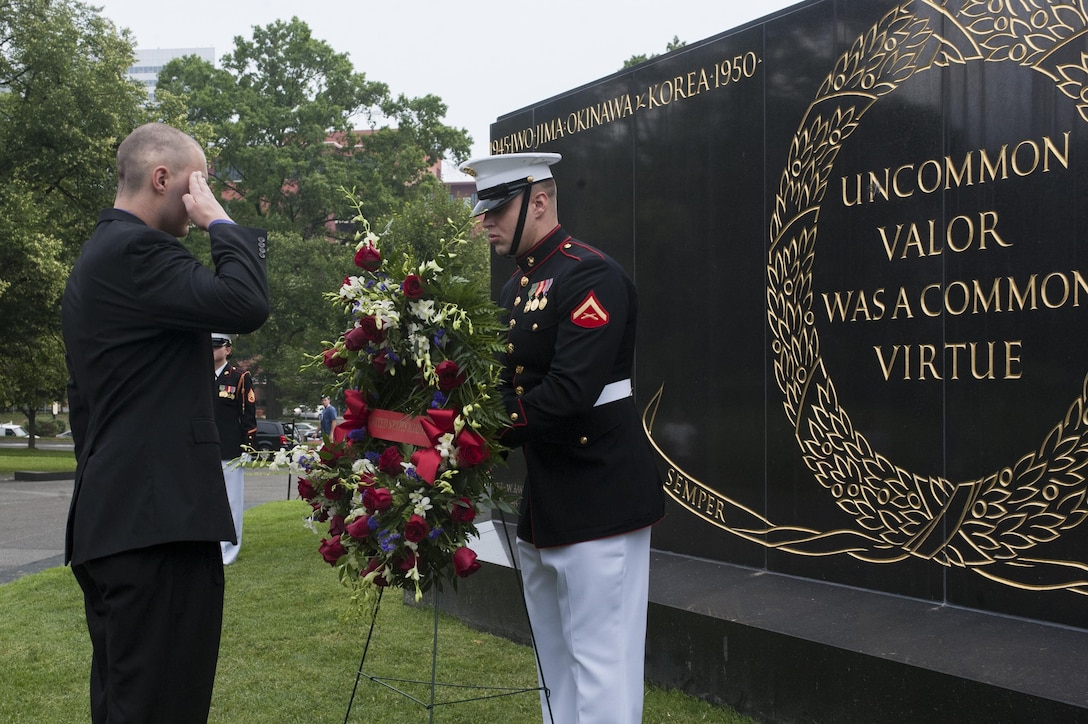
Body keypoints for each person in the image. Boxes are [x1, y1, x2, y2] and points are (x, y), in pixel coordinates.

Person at [62, 123, 269, 723]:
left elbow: (85, 408)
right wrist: (222, 224)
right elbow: (245, 303)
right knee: (163, 705)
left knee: (130, 703)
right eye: (196, 181)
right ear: (162, 180)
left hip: (122, 516)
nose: (202, 193)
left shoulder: (98, 259)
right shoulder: (137, 251)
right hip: (155, 523)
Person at [459, 151, 666, 723]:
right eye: (485, 210)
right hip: (548, 497)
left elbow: (568, 393)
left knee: (601, 664)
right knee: (555, 664)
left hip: (601, 494)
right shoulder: (514, 290)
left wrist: (473, 431)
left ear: (540, 200)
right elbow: (502, 384)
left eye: (498, 209)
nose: (486, 222)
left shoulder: (590, 275)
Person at [211, 332, 257, 565]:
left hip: (230, 450)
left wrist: (247, 447)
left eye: (216, 346)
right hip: (203, 450)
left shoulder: (239, 377)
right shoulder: (198, 376)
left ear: (228, 349)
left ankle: (228, 552)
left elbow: (248, 416)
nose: (212, 350)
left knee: (231, 502)